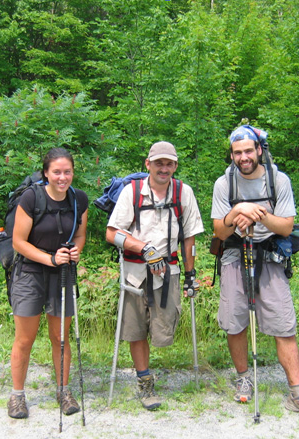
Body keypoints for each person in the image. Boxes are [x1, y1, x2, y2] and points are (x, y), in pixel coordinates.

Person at [211, 125, 299, 421]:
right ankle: (242, 377)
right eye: (237, 153)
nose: (243, 157)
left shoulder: (279, 180)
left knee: (282, 321)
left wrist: (257, 212)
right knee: (235, 319)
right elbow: (219, 230)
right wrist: (238, 212)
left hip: (271, 253)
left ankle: (298, 394)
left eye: (248, 151)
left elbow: (286, 226)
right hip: (235, 252)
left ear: (259, 150)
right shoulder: (224, 183)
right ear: (232, 155)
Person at [105, 141, 204, 410]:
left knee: (163, 331)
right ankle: (144, 381)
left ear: (175, 166)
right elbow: (112, 233)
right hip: (135, 273)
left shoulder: (184, 193)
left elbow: (190, 237)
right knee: (135, 330)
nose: (164, 168)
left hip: (168, 272)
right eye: (158, 162)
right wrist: (145, 249)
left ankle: (147, 376)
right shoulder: (131, 192)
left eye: (169, 163)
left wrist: (190, 273)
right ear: (147, 164)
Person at [7, 147, 88, 419]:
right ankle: (17, 396)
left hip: (62, 272)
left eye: (67, 171)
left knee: (60, 338)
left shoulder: (79, 200)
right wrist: (49, 259)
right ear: (46, 173)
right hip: (30, 272)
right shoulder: (32, 198)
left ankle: (63, 391)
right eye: (57, 172)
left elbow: (79, 235)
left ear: (73, 173)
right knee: (25, 338)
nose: (62, 177)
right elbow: (18, 241)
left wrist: (75, 251)